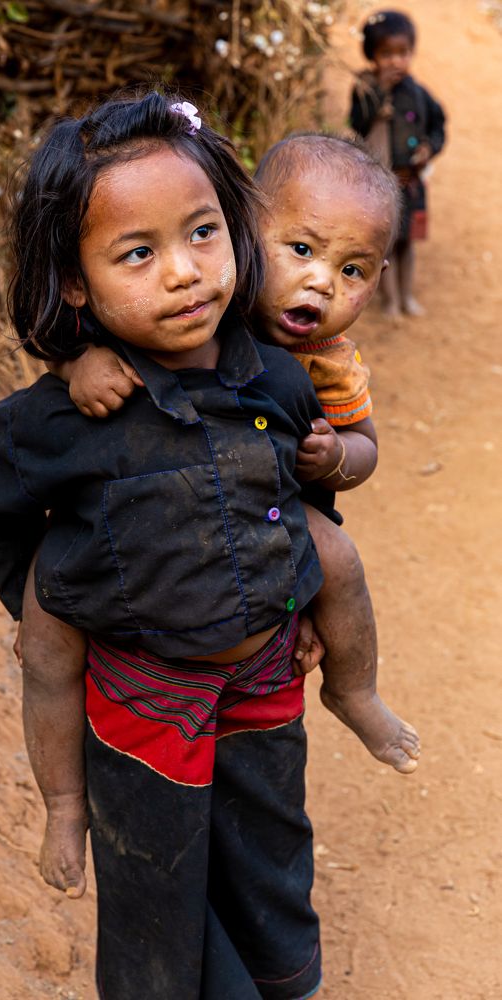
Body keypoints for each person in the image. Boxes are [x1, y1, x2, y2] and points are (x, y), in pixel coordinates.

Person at [0, 91, 330, 999]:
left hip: (264, 687)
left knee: (269, 855)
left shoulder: (272, 376)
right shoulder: (65, 417)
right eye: (137, 253)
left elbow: (302, 489)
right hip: (143, 707)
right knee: (156, 884)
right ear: (75, 282)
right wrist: (55, 597)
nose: (184, 273)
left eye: (202, 233)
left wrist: (300, 592)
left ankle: (286, 984)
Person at [54, 132, 420, 790]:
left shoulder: (331, 360)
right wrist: (79, 361)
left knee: (337, 556)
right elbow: (99, 320)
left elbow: (366, 447)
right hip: (175, 507)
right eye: (302, 250)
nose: (320, 282)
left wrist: (337, 457)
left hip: (272, 506)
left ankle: (354, 688)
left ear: (379, 275)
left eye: (353, 270)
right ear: (243, 225)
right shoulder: (197, 303)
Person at [350, 9, 446, 316]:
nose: (395, 61)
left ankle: (407, 297)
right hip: (381, 184)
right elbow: (359, 123)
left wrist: (430, 148)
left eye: (403, 53)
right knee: (386, 245)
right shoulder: (365, 88)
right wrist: (380, 91)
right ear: (372, 55)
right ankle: (390, 301)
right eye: (386, 54)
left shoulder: (418, 93)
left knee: (408, 243)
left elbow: (438, 124)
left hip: (412, 184)